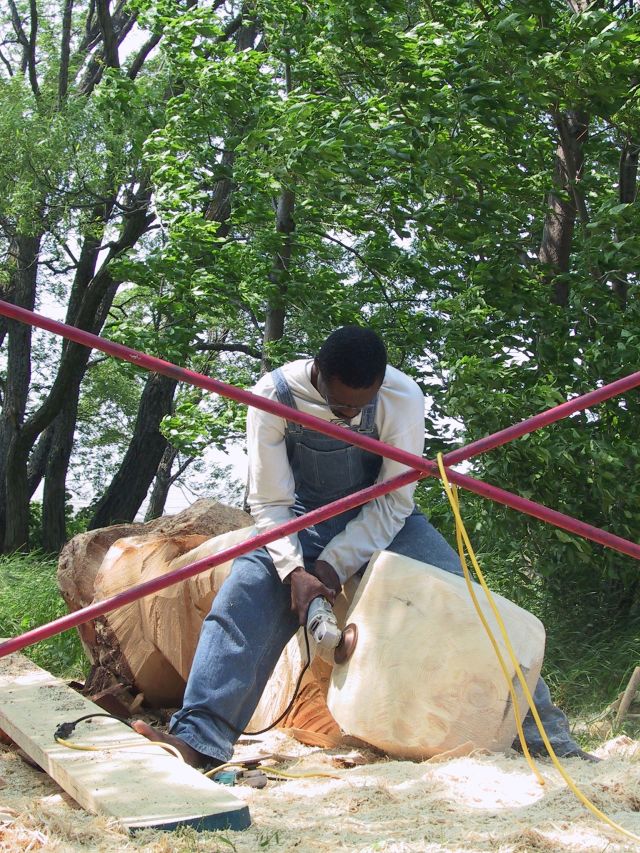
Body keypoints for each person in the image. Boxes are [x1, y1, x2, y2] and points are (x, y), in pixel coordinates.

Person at [134, 326, 594, 765]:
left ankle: (549, 739)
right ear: (317, 371)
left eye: (361, 406)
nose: (351, 415)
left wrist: (331, 568)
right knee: (243, 597)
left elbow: (394, 502)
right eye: (340, 405)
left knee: (468, 604)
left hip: (388, 522)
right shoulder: (272, 395)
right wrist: (296, 572)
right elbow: (270, 501)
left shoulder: (403, 397)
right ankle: (196, 741)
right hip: (298, 519)